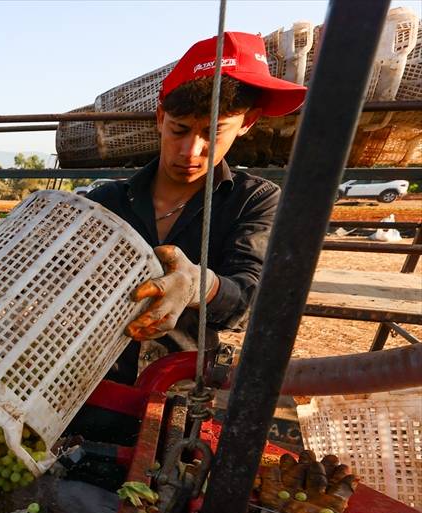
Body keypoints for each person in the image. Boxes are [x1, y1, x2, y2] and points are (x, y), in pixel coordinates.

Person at [88, 32, 307, 384]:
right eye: (179, 129)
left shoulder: (253, 201)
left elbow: (248, 297)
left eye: (213, 132)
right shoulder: (105, 202)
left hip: (180, 386)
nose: (191, 151)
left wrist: (198, 286)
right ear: (160, 117)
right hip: (92, 380)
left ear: (246, 122)